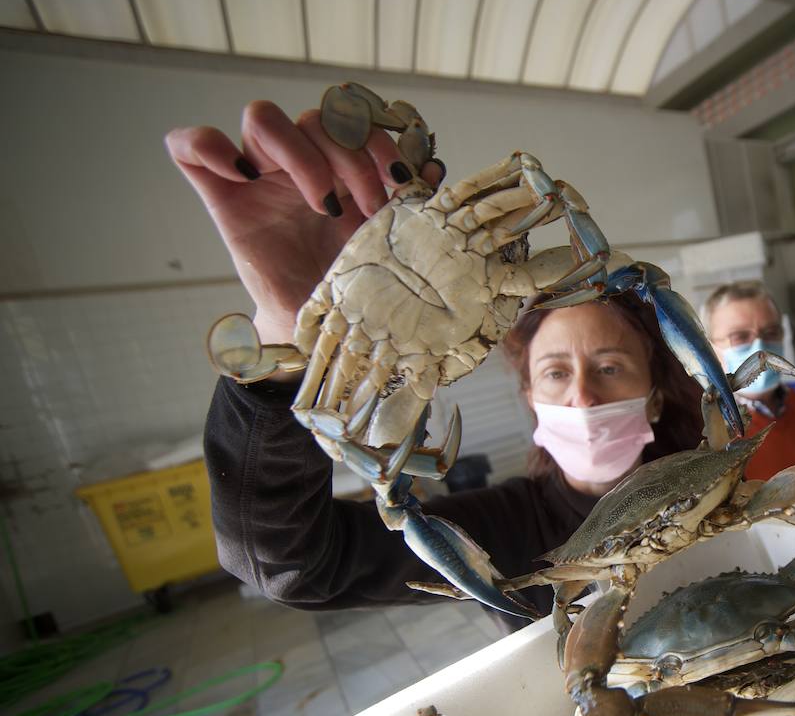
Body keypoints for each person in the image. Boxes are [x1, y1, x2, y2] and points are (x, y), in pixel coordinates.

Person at [169, 99, 703, 632]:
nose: (582, 397)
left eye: (609, 367)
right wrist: (290, 333)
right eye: (556, 373)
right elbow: (297, 565)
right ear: (529, 398)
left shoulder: (716, 473)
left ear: (657, 392)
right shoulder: (504, 531)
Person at [702, 281, 795, 479]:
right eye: (740, 336)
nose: (760, 347)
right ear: (711, 350)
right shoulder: (715, 436)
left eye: (771, 332)